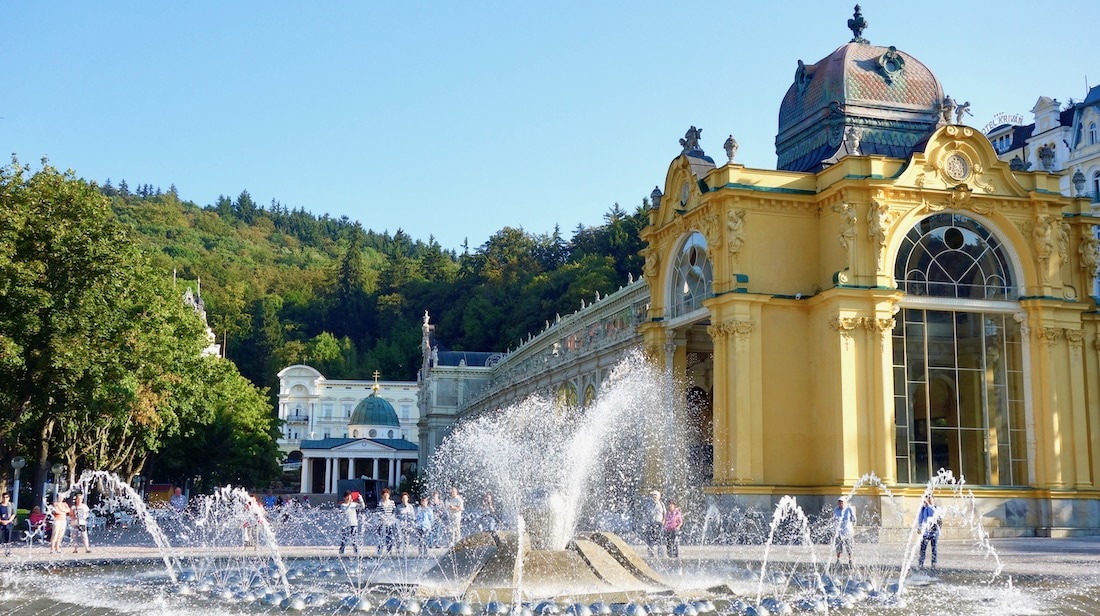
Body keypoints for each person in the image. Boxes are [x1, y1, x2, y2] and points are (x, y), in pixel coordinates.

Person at [917, 494, 941, 571]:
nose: (929, 499)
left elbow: (935, 515)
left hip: (934, 530)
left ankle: (933, 563)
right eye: (927, 498)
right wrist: (919, 527)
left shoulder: (936, 508)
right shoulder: (923, 508)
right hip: (926, 531)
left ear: (933, 499)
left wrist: (929, 506)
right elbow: (921, 518)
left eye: (930, 498)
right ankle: (921, 563)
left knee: (934, 547)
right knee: (923, 547)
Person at [834, 496, 856, 566]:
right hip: (839, 531)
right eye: (839, 502)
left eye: (842, 502)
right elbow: (834, 519)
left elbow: (854, 518)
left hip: (847, 530)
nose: (840, 504)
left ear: (845, 503)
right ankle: (838, 560)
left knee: (849, 546)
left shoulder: (849, 509)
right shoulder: (836, 509)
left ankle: (850, 559)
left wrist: (851, 526)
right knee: (838, 546)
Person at [642, 490, 665, 557]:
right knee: (650, 540)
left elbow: (664, 514)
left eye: (655, 495)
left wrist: (663, 521)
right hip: (650, 523)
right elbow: (645, 513)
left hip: (659, 523)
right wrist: (646, 522)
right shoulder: (649, 504)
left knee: (659, 539)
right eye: (653, 495)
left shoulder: (661, 504)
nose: (654, 496)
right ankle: (651, 554)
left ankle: (661, 555)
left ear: (658, 496)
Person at [338, 490, 361, 555]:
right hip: (345, 524)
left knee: (354, 539)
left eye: (349, 496)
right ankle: (341, 551)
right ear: (344, 498)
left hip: (353, 524)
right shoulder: (343, 505)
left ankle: (356, 552)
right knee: (344, 539)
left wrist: (360, 498)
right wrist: (350, 503)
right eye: (347, 497)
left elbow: (363, 506)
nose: (348, 498)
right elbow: (345, 510)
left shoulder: (354, 504)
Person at [376, 488, 398, 555]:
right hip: (382, 523)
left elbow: (394, 511)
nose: (386, 496)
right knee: (380, 538)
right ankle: (380, 551)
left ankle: (389, 551)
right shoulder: (380, 503)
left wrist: (391, 518)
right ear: (382, 496)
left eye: (387, 495)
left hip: (390, 523)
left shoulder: (392, 502)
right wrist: (384, 518)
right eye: (384, 495)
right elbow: (378, 512)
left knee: (389, 538)